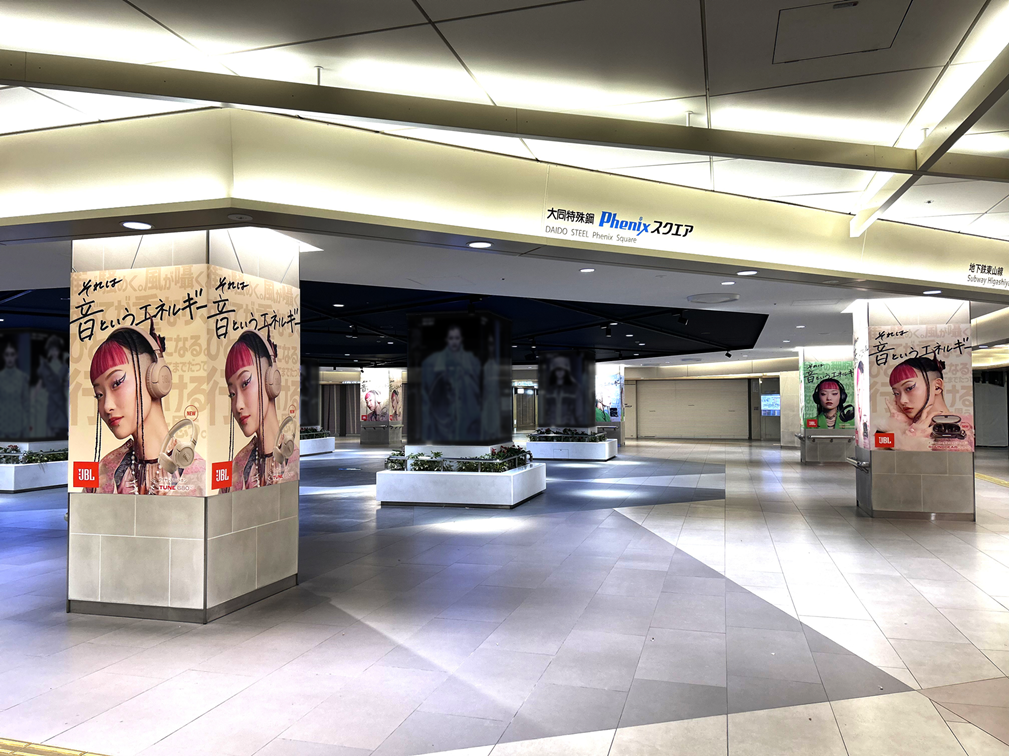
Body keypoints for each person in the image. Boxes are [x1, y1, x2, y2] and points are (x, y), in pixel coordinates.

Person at [88, 326, 205, 495]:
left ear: (155, 379)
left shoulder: (199, 475)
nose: (106, 406)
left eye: (117, 383)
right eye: (99, 395)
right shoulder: (103, 473)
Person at [226, 330, 299, 489]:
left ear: (271, 381)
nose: (238, 405)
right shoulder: (237, 466)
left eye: (245, 383)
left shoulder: (296, 462)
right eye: (232, 394)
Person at [886, 357, 974, 451]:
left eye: (909, 388)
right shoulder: (908, 426)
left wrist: (912, 440)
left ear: (937, 386)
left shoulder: (967, 427)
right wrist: (898, 427)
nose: (902, 401)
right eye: (896, 393)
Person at [421, 324, 481, 442]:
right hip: (444, 412)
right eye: (451, 338)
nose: (454, 341)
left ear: (461, 339)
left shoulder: (470, 360)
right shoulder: (434, 361)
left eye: (457, 338)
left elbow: (475, 388)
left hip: (465, 411)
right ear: (447, 339)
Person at [38, 335, 69, 438]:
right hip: (50, 398)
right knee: (50, 424)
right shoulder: (45, 366)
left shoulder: (63, 366)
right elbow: (41, 382)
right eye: (52, 350)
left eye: (56, 350)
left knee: (61, 423)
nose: (54, 352)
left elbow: (67, 383)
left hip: (61, 398)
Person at [542, 353, 582, 428]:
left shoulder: (575, 388)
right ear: (554, 371)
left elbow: (579, 411)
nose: (559, 372)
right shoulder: (548, 389)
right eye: (557, 370)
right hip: (551, 427)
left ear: (566, 370)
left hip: (570, 428)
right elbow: (545, 410)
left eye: (562, 369)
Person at [0, 340, 30, 439]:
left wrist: (26, 426)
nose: (9, 358)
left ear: (16, 355)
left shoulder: (22, 377)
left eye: (12, 354)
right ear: (3, 356)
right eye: (7, 354)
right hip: (1, 426)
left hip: (18, 426)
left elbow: (26, 403)